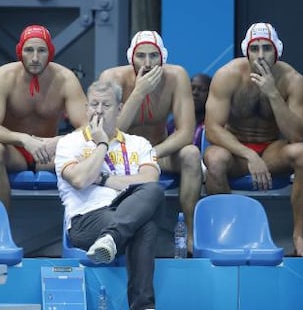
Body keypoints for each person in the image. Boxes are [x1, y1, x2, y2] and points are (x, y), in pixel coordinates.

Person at [203, 22, 303, 257]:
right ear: (246, 51)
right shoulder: (228, 75)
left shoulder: (293, 80)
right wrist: (249, 155)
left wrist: (273, 93)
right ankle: (228, 232)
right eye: (255, 49)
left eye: (267, 48)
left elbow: (296, 135)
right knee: (213, 159)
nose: (261, 55)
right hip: (237, 151)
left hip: (272, 150)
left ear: (277, 50)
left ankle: (298, 237)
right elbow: (212, 129)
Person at [55, 80, 163, 310]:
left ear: (121, 109)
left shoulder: (139, 144)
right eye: (94, 104)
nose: (99, 111)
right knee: (145, 225)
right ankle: (143, 306)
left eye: (106, 105)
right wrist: (102, 143)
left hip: (122, 215)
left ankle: (112, 238)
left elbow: (150, 181)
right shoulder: (69, 143)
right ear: (86, 109)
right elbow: (80, 179)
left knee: (153, 194)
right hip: (86, 219)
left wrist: (105, 179)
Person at [98, 30, 201, 254]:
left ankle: (191, 234)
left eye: (153, 56)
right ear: (130, 58)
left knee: (192, 154)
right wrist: (138, 93)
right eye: (141, 56)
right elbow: (108, 134)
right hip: (120, 156)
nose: (147, 63)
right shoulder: (111, 79)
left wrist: (151, 153)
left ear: (162, 57)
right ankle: (111, 234)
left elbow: (185, 133)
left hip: (158, 153)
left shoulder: (176, 77)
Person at [0, 24, 87, 211]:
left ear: (50, 53)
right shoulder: (4, 77)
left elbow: (88, 128)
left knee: (93, 152)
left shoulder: (66, 79)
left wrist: (58, 141)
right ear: (19, 52)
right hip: (14, 152)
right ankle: (1, 232)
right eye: (29, 50)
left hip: (50, 153)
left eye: (41, 50)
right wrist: (23, 139)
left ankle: (82, 226)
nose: (34, 58)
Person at [167, 73, 211, 150]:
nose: (195, 93)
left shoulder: (213, 126)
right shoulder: (174, 124)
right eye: (192, 88)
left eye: (201, 89)